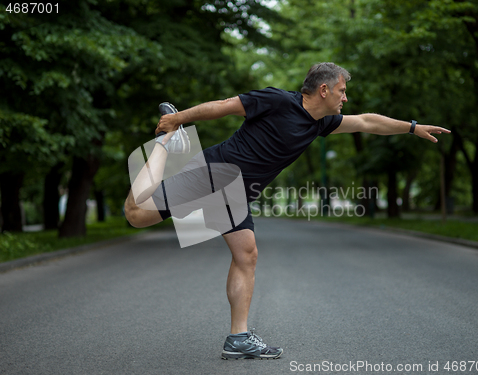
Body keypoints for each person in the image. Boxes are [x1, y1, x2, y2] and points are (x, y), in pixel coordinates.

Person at [124, 62, 450, 360]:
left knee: (246, 255)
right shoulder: (278, 101)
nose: (345, 99)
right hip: (214, 172)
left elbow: (366, 122)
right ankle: (167, 144)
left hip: (236, 193)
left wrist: (411, 127)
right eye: (342, 91)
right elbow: (225, 107)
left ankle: (238, 338)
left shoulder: (320, 124)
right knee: (136, 215)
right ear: (324, 90)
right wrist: (178, 119)